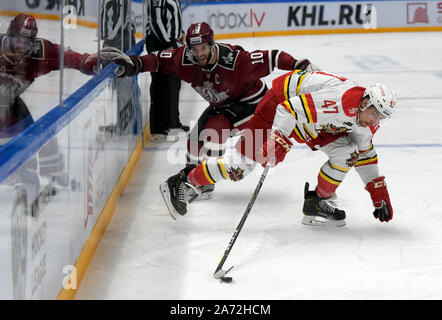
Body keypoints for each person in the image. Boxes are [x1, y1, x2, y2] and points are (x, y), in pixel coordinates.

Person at [104, 21, 318, 199]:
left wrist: (297, 63)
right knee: (193, 143)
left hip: (252, 103)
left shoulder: (234, 60)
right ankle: (196, 182)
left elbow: (272, 56)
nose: (199, 54)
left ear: (212, 45)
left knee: (213, 133)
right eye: (194, 49)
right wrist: (135, 64)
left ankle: (206, 178)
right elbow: (159, 60)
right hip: (222, 104)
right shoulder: (183, 60)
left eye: (203, 48)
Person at [159, 69, 396, 227]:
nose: (375, 121)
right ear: (365, 102)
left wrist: (376, 189)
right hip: (280, 102)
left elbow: (365, 153)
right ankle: (183, 181)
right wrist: (278, 139)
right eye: (374, 113)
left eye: (380, 118)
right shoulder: (339, 103)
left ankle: (316, 202)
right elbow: (288, 109)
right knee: (239, 168)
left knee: (348, 153)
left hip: (310, 120)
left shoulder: (365, 121)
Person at [1, 14, 103, 183]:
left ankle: (52, 172)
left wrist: (85, 61)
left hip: (10, 103)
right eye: (18, 42)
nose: (21, 49)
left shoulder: (39, 52)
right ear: (9, 36)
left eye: (26, 44)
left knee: (36, 135)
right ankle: (15, 174)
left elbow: (67, 56)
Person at [145, 0, 188, 141]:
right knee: (161, 85)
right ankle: (159, 128)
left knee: (173, 84)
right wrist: (169, 43)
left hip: (168, 42)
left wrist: (179, 33)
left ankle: (173, 123)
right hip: (159, 44)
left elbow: (171, 18)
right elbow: (156, 22)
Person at [100, 0, 141, 136]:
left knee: (124, 89)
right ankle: (128, 123)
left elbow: (112, 30)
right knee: (127, 88)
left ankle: (126, 127)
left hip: (118, 47)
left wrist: (108, 42)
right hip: (125, 45)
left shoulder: (113, 2)